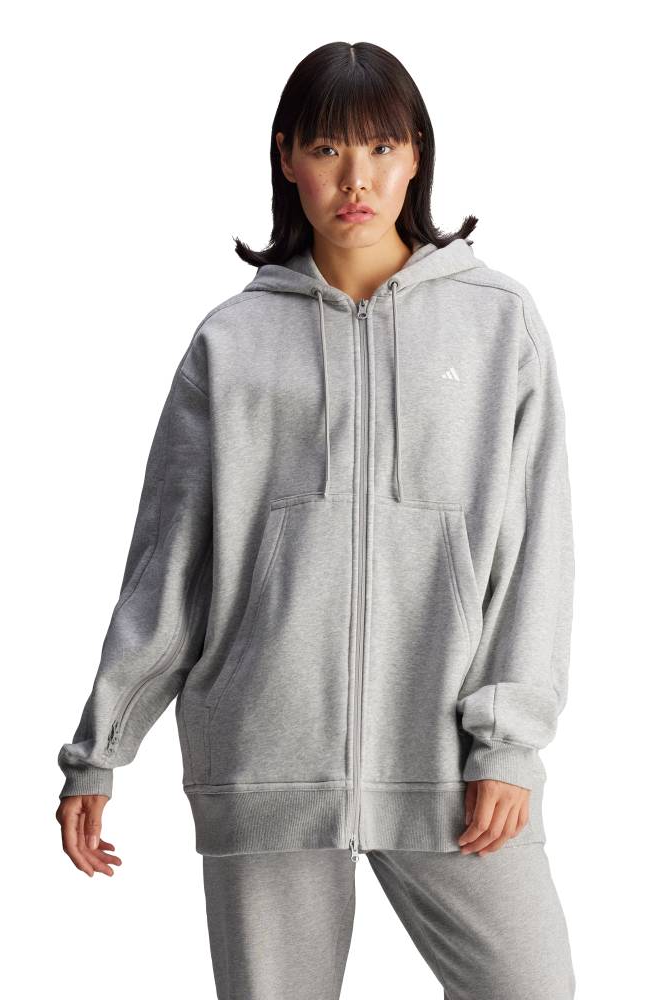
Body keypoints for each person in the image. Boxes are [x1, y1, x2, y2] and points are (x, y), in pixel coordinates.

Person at [56, 40, 577, 999]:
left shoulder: (498, 323)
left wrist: (507, 741)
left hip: (448, 761)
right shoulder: (232, 341)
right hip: (266, 756)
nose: (356, 180)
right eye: (329, 149)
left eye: (381, 148)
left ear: (416, 156)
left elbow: (533, 547)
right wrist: (100, 750)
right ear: (288, 157)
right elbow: (172, 563)